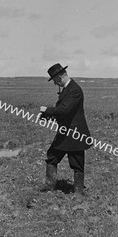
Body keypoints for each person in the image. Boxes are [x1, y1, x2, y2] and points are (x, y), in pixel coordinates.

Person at [39, 63, 91, 196]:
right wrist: (47, 116)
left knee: (77, 163)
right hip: (65, 132)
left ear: (61, 76)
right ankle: (49, 185)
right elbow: (63, 111)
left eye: (55, 80)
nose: (55, 83)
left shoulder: (74, 90)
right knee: (52, 156)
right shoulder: (68, 89)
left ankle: (78, 192)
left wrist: (47, 110)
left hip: (75, 134)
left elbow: (65, 110)